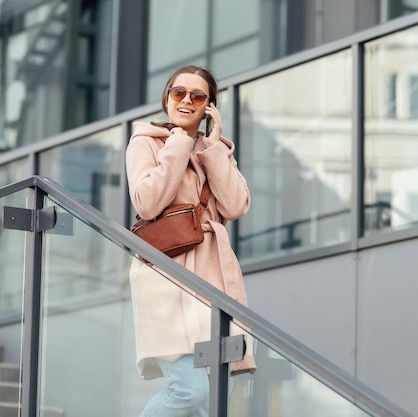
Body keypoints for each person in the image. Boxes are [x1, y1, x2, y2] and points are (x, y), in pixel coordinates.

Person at [125, 65, 256, 417]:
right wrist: (179, 141)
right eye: (178, 93)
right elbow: (147, 201)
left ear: (209, 106)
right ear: (167, 97)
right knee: (189, 389)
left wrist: (213, 148)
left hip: (211, 280)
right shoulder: (146, 142)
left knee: (213, 399)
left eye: (197, 96)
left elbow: (236, 204)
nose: (186, 101)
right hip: (167, 277)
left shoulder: (215, 150)